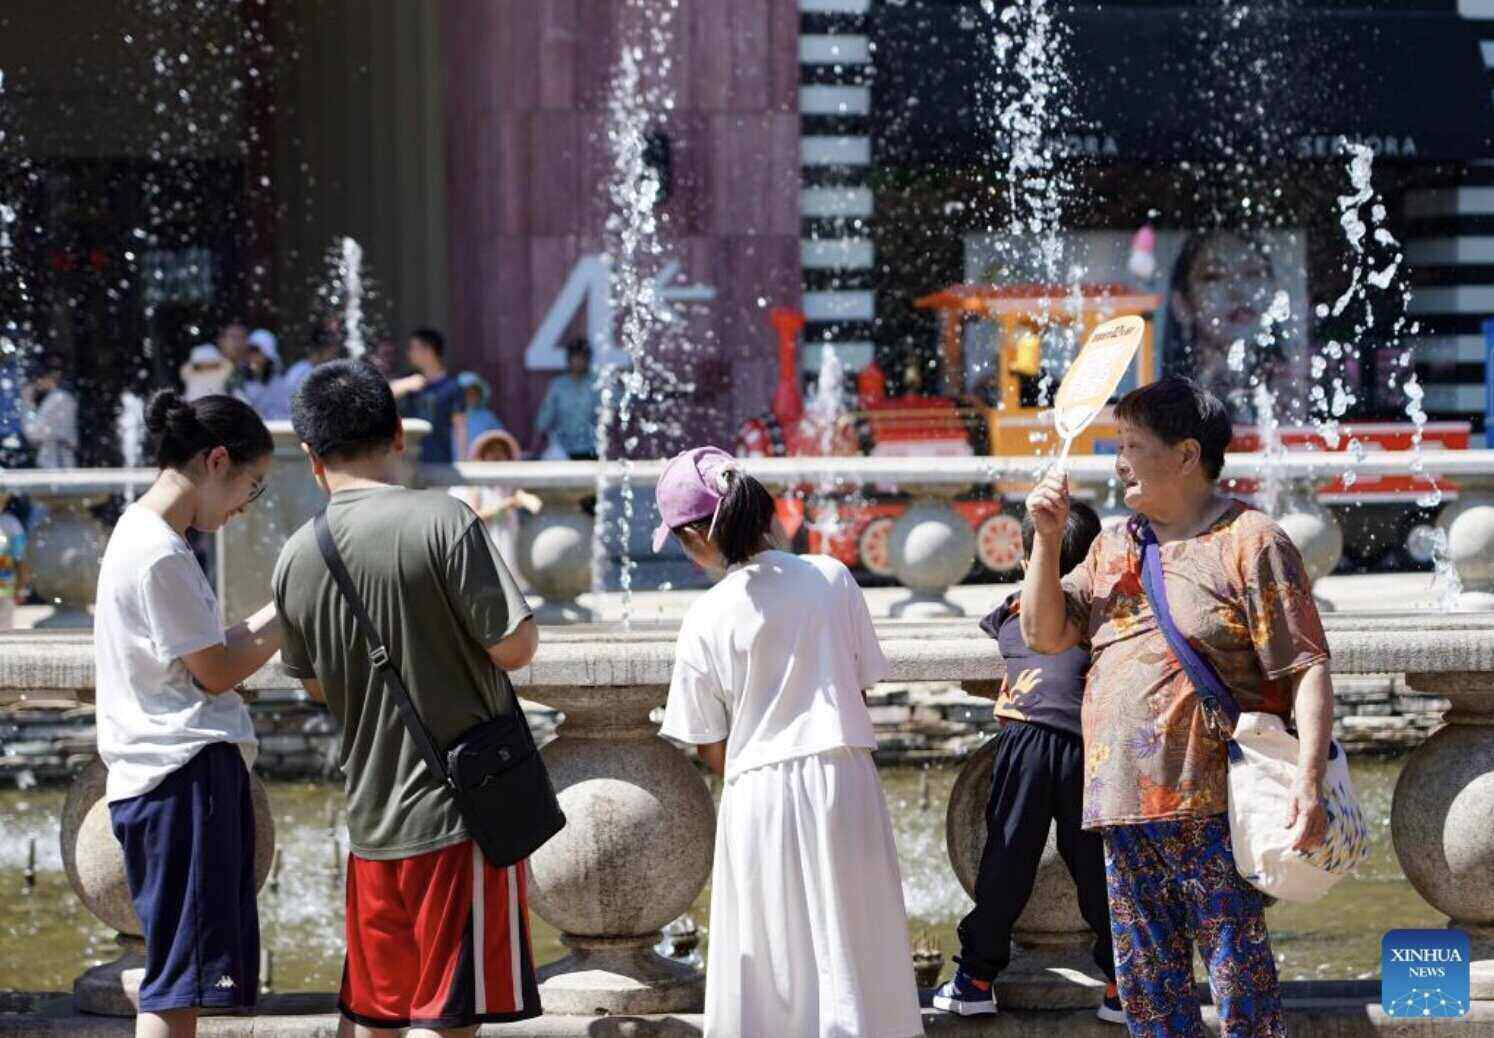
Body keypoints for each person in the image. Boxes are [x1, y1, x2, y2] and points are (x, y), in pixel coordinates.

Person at [1021, 377, 1333, 1037]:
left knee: (1241, 993)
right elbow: (1043, 635)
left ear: (1188, 454)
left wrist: (1309, 781)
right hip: (1122, 808)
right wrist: (1046, 540)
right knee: (1149, 1001)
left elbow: (1306, 665)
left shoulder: (1250, 539)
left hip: (1214, 808)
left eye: (1133, 444)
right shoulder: (1112, 545)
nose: (1119, 460)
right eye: (1117, 443)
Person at [273, 360, 542, 1033]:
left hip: (371, 825)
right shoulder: (442, 520)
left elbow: (313, 684)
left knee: (375, 1013)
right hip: (460, 818)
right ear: (398, 434)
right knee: (454, 1014)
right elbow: (514, 646)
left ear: (311, 457)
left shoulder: (297, 555)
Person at [655, 446, 923, 1038]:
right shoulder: (831, 576)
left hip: (756, 787)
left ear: (698, 536)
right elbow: (858, 679)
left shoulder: (704, 616)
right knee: (855, 946)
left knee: (772, 965)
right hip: (842, 774)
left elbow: (708, 741)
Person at [92, 390, 282, 1038]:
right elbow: (219, 670)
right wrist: (295, 604)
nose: (241, 508)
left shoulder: (143, 533)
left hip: (168, 778)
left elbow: (207, 650)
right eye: (248, 487)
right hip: (181, 778)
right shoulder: (160, 553)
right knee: (177, 988)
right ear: (217, 461)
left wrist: (280, 605)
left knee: (178, 979)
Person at [934, 499, 1124, 1025]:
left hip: (1027, 741)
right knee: (1097, 869)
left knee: (1007, 861)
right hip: (1087, 744)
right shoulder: (1101, 612)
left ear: (1025, 562)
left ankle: (975, 977)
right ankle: (1124, 981)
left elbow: (997, 628)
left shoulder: (1017, 611)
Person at [1162, 231, 1293, 423]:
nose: (1238, 290)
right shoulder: (1164, 407)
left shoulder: (1299, 395)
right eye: (1214, 276)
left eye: (1253, 273)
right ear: (1181, 303)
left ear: (1275, 295)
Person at [455, 428, 540, 578]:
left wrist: (531, 501)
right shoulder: (476, 485)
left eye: (501, 451)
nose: (497, 455)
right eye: (491, 451)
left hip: (507, 536)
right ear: (483, 456)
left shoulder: (509, 484)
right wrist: (506, 505)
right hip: (487, 537)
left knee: (509, 573)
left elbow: (525, 498)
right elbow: (473, 516)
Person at [390, 327, 466, 465]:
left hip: (439, 461)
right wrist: (403, 386)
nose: (409, 353)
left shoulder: (452, 387)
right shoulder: (407, 381)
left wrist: (463, 462)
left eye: (413, 348)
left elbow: (460, 428)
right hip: (405, 462)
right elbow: (380, 396)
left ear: (428, 351)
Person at [532, 338, 600, 460]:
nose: (578, 361)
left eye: (582, 357)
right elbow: (544, 419)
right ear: (569, 359)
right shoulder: (558, 385)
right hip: (564, 450)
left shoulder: (597, 383)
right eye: (575, 357)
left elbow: (613, 409)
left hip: (592, 447)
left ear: (588, 359)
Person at [21, 358, 78, 468]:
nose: (37, 383)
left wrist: (27, 403)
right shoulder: (63, 397)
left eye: (39, 378)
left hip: (56, 460)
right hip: (59, 457)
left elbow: (32, 433)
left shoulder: (57, 399)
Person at [280, 325, 343, 407]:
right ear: (321, 349)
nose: (334, 353)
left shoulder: (327, 371)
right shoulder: (299, 373)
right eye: (331, 348)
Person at [237, 329, 292, 421]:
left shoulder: (280, 382)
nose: (253, 356)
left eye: (256, 351)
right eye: (250, 350)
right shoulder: (239, 379)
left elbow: (285, 412)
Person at [457, 371, 504, 447]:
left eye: (474, 393)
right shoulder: (452, 417)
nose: (471, 397)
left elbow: (500, 440)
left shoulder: (488, 418)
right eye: (467, 393)